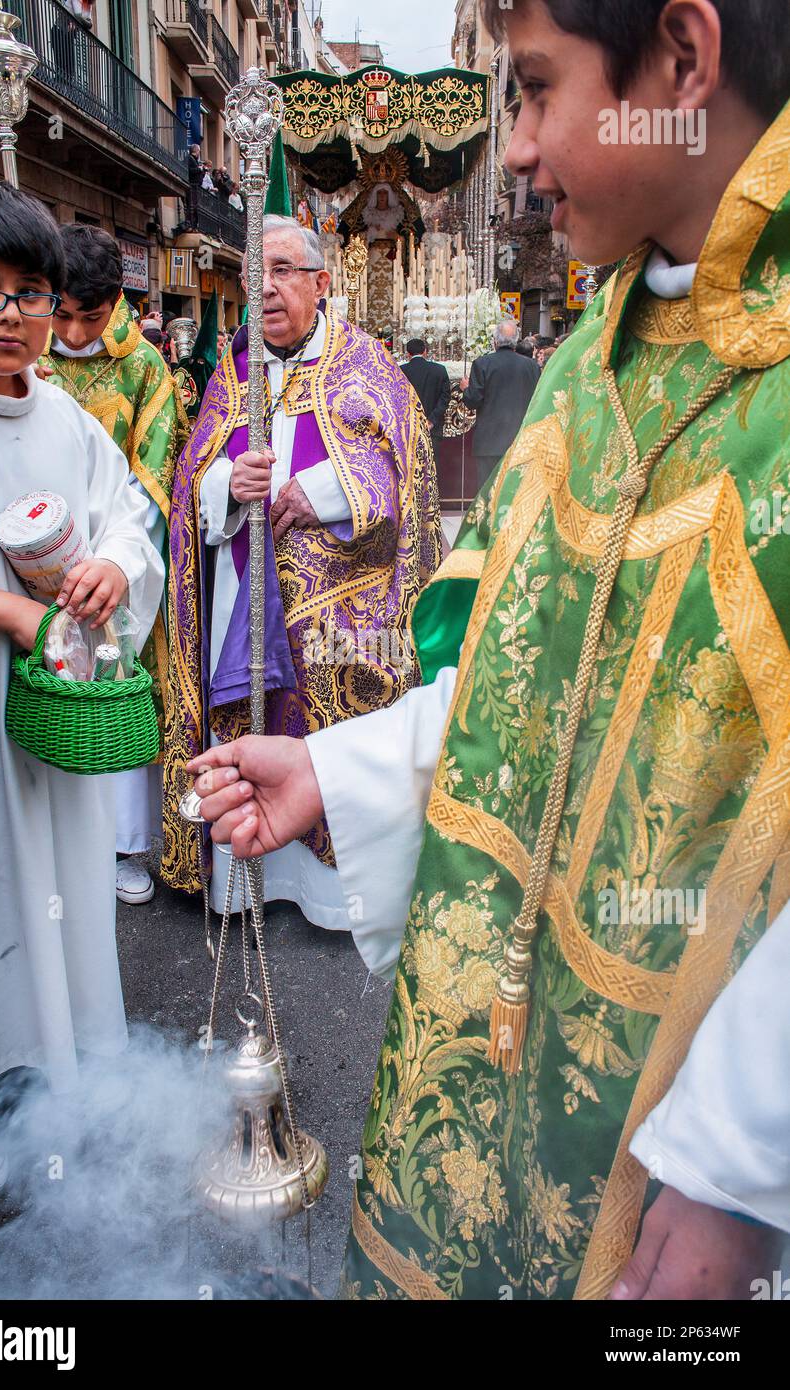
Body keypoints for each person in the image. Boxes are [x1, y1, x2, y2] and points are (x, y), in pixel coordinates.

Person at [188, 0, 790, 1301]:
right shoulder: (592, 359)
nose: (513, 146)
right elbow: (533, 672)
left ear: (678, 60)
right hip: (487, 1093)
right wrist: (345, 773)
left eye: (530, 89)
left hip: (687, 1160)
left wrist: (742, 1161)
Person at [0, 178, 163, 1195]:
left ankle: (62, 1079)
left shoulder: (65, 419)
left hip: (54, 722)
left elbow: (128, 515)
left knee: (60, 897)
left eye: (31, 290)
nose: (13, 313)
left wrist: (114, 566)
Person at [163, 214, 442, 929]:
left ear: (321, 283)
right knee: (244, 721)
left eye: (284, 270)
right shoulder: (233, 368)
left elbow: (401, 469)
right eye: (256, 273)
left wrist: (315, 492)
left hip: (341, 611)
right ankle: (244, 878)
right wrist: (230, 483)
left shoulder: (365, 363)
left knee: (329, 731)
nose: (268, 288)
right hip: (242, 600)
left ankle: (333, 899)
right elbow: (192, 473)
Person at [42, 225, 188, 907]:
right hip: (31, 559)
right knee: (45, 692)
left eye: (88, 318)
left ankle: (127, 847)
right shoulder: (28, 352)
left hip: (114, 564)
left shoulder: (145, 369)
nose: (70, 332)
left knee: (113, 691)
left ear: (116, 305)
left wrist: (110, 558)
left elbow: (152, 473)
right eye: (61, 313)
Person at [460, 318, 540, 492]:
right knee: (514, 490)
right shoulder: (532, 366)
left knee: (488, 491)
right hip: (520, 438)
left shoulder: (482, 364)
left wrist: (466, 389)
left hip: (489, 440)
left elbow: (473, 400)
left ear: (495, 341)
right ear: (516, 341)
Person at [400, 338, 450, 462]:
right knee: (433, 464)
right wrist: (432, 420)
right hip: (433, 428)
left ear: (408, 354)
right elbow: (445, 397)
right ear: (425, 352)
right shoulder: (439, 370)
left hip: (409, 427)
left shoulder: (401, 371)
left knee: (411, 465)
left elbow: (398, 399)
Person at [185, 144, 203, 231]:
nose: (199, 153)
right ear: (195, 151)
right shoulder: (190, 159)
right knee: (192, 205)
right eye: (199, 151)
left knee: (195, 206)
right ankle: (190, 224)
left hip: (196, 186)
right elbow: (190, 170)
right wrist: (199, 169)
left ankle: (194, 224)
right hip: (192, 186)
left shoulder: (194, 160)